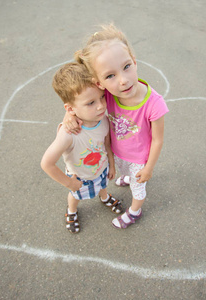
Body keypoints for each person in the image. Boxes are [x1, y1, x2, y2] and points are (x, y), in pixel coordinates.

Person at [64, 24, 169, 229]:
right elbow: (78, 97)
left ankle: (135, 212)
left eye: (127, 66)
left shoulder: (154, 103)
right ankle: (128, 177)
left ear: (134, 61)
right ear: (99, 83)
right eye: (110, 75)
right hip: (117, 153)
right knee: (125, 174)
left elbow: (158, 139)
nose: (123, 80)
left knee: (139, 189)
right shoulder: (107, 94)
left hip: (140, 159)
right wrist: (68, 113)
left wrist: (149, 168)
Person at [41, 62, 123, 234]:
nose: (100, 105)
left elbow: (106, 143)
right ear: (70, 109)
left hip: (101, 168)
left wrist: (112, 164)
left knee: (102, 184)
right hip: (80, 178)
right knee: (75, 196)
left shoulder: (103, 119)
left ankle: (104, 197)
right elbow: (47, 163)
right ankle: (71, 211)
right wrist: (69, 182)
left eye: (101, 97)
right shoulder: (69, 133)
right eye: (90, 102)